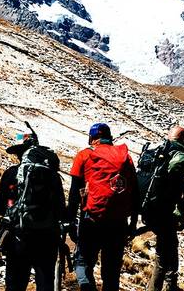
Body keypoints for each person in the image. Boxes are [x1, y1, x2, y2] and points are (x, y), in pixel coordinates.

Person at [68, 123, 138, 291]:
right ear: (110, 137)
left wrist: (69, 221)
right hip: (118, 223)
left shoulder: (84, 156)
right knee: (111, 272)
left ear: (92, 138)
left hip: (91, 220)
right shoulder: (126, 158)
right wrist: (132, 224)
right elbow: (135, 193)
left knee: (83, 263)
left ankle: (87, 287)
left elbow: (74, 193)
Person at [0, 131, 66, 291]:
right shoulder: (52, 176)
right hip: (47, 238)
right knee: (45, 283)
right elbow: (61, 210)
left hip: (18, 238)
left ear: (19, 152)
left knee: (15, 284)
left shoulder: (11, 174)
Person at [146, 126, 184, 291]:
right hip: (165, 212)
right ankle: (160, 287)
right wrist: (179, 212)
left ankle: (169, 284)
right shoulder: (178, 156)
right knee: (164, 252)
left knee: (168, 247)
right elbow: (178, 187)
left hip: (151, 209)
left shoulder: (160, 151)